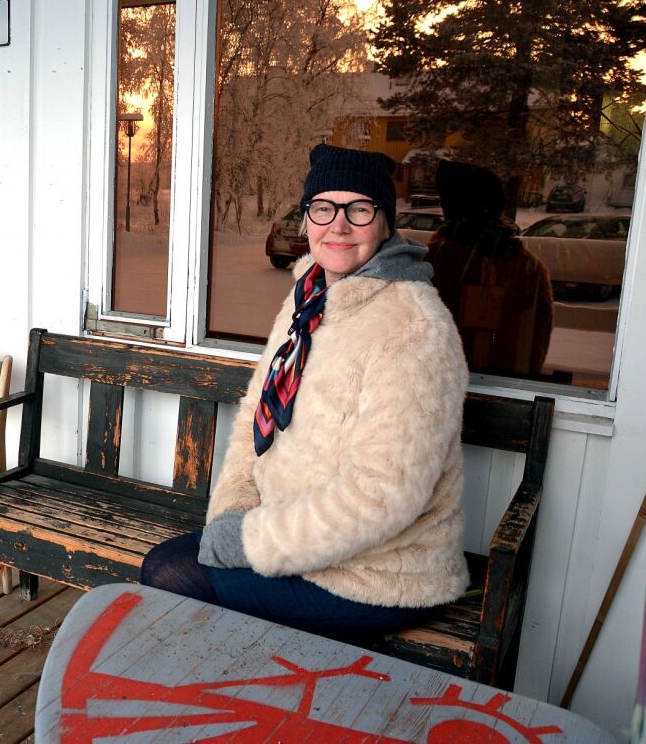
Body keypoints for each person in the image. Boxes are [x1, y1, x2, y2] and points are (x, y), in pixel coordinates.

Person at [140, 144, 470, 640]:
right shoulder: (310, 298)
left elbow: (383, 497)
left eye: (359, 209)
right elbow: (258, 415)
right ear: (307, 218)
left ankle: (239, 700)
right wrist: (231, 512)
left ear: (385, 223)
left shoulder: (412, 327)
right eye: (323, 207)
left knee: (171, 574)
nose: (338, 225)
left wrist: (251, 542)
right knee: (169, 564)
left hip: (378, 574)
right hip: (293, 535)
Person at [425, 160, 553, 377]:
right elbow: (537, 346)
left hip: (442, 393)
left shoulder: (433, 261)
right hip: (510, 394)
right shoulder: (531, 268)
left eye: (445, 202)